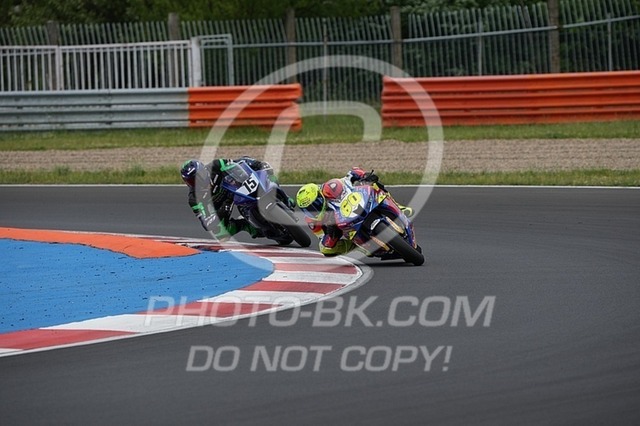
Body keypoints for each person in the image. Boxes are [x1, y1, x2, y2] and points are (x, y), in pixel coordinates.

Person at [296, 167, 413, 256]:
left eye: (315, 204)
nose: (313, 210)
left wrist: (364, 175)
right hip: (343, 227)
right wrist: (331, 235)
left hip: (357, 203)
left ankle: (398, 206)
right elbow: (322, 240)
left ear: (319, 195)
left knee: (375, 186)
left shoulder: (330, 186)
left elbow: (350, 174)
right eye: (308, 209)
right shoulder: (312, 221)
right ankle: (358, 247)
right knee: (325, 249)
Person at [180, 156, 273, 240]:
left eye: (198, 177)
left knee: (263, 171)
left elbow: (239, 162)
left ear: (204, 171)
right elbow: (205, 223)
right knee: (220, 233)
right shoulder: (194, 199)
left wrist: (258, 164)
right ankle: (247, 226)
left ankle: (276, 192)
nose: (197, 182)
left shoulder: (216, 165)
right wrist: (220, 211)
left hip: (236, 187)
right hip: (223, 205)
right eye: (191, 181)